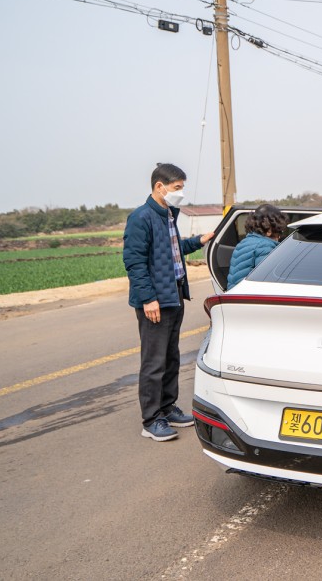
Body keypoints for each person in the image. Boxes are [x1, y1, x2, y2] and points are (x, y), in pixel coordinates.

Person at [123, 163, 214, 442]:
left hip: (174, 294)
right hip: (155, 300)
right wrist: (148, 298)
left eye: (182, 188)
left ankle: (167, 407)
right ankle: (151, 420)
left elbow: (174, 251)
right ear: (159, 186)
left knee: (171, 356)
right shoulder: (141, 218)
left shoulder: (168, 215)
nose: (181, 193)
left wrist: (199, 240)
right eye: (177, 188)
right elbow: (134, 262)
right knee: (154, 361)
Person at [226, 204, 288, 289]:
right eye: (279, 231)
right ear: (269, 230)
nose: (280, 236)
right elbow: (268, 280)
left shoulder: (243, 243)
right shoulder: (265, 247)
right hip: (249, 297)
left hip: (234, 294)